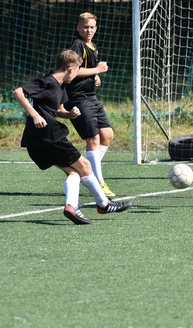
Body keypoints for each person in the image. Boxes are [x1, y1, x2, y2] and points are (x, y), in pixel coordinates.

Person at [13, 49, 131, 225]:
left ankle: (71, 207)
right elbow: (18, 92)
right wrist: (35, 115)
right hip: (48, 135)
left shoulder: (62, 86)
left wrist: (70, 114)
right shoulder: (48, 81)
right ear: (70, 68)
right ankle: (103, 204)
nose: (77, 75)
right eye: (77, 70)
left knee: (73, 172)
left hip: (37, 140)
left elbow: (58, 110)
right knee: (85, 165)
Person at [64, 12, 116, 198]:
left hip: (90, 97)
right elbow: (71, 71)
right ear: (78, 28)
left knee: (107, 135)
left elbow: (84, 71)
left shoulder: (92, 46)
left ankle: (85, 172)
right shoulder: (77, 45)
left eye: (92, 27)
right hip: (77, 98)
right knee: (93, 139)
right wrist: (97, 70)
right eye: (86, 27)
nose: (89, 30)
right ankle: (99, 182)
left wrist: (94, 76)